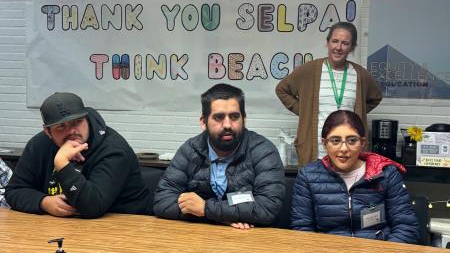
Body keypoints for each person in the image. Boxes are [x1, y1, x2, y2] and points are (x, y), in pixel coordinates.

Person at [153, 83, 285, 229]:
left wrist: (205, 209)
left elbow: (267, 207)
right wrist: (219, 217)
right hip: (197, 238)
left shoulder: (263, 150)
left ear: (244, 119)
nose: (227, 125)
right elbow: (162, 200)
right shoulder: (190, 150)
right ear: (203, 122)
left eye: (234, 116)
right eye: (218, 117)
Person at [6, 92, 152, 218]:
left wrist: (62, 164)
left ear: (86, 118)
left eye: (77, 122)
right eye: (61, 126)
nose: (71, 131)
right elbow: (14, 191)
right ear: (47, 131)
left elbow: (92, 207)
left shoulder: (113, 149)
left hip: (126, 225)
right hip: (63, 228)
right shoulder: (39, 144)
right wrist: (43, 202)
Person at [290, 110, 420, 243]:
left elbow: (406, 227)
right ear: (325, 144)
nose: (344, 148)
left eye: (352, 140)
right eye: (335, 141)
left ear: (362, 143)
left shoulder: (386, 174)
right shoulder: (308, 177)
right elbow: (302, 230)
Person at [275, 22, 382, 167]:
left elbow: (375, 97)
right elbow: (282, 89)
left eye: (345, 43)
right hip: (316, 152)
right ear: (327, 43)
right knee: (314, 187)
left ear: (352, 47)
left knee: (348, 189)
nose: (338, 47)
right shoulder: (310, 70)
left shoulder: (360, 75)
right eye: (335, 41)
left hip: (348, 153)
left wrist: (358, 113)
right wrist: (305, 111)